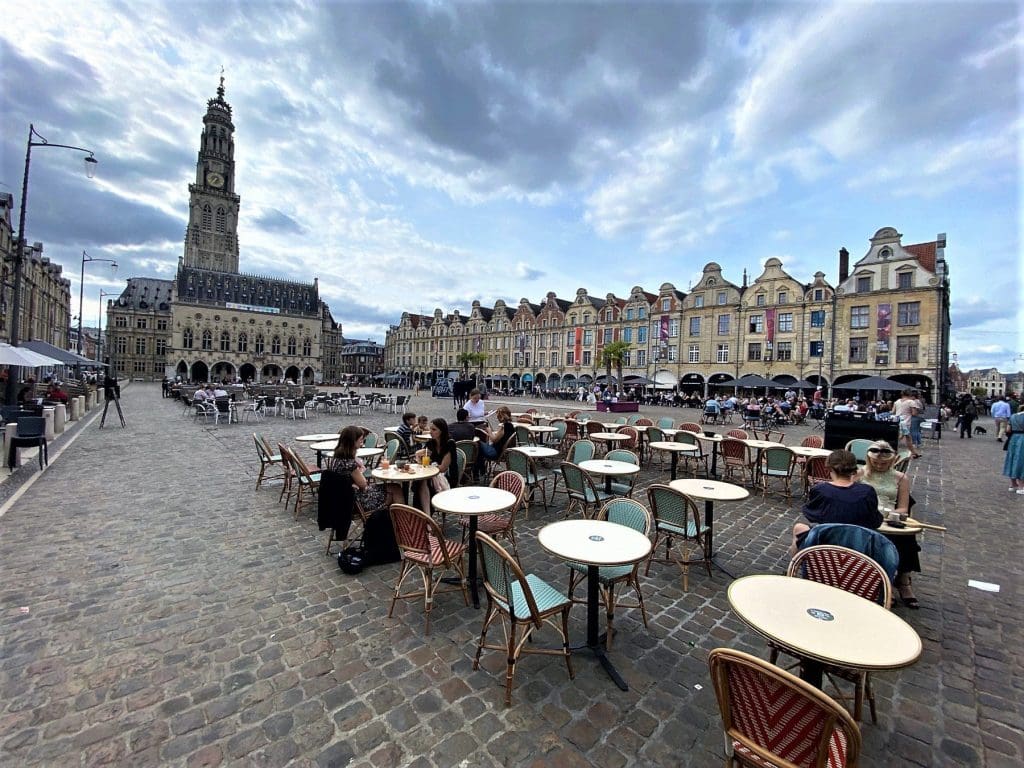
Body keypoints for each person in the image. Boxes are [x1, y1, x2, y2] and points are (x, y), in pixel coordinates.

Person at [858, 440, 921, 607]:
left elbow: (903, 508)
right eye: (876, 462)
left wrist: (892, 515)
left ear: (891, 461)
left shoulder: (900, 478)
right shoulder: (860, 474)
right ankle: (885, 581)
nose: (879, 465)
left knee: (906, 539)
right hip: (866, 516)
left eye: (884, 463)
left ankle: (903, 580)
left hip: (889, 517)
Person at [791, 449, 881, 554]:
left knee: (799, 528)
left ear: (829, 468)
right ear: (854, 469)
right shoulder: (867, 491)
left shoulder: (821, 490)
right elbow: (875, 521)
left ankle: (795, 567)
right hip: (858, 547)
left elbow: (812, 516)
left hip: (826, 545)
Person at [325, 426, 403, 515]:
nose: (362, 442)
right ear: (352, 441)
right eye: (360, 439)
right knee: (396, 488)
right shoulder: (349, 462)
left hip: (341, 498)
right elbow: (363, 484)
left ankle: (394, 520)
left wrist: (352, 483)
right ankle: (402, 522)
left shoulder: (337, 457)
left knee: (393, 487)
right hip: (355, 501)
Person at [414, 418, 459, 514]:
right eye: (430, 429)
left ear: (442, 431)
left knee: (421, 482)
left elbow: (443, 468)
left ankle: (425, 515)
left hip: (447, 477)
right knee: (420, 482)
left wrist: (428, 466)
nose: (430, 432)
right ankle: (424, 515)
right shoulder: (431, 443)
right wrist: (418, 456)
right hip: (433, 475)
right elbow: (424, 463)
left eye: (434, 430)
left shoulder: (449, 444)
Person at [476, 406, 515, 478]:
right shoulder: (510, 426)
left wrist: (489, 431)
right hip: (502, 450)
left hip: (495, 452)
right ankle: (481, 469)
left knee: (477, 443)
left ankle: (479, 469)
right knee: (481, 447)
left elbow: (494, 440)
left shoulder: (503, 426)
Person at [892, 389, 921, 457]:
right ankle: (893, 452)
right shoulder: (911, 402)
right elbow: (914, 413)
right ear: (910, 394)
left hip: (897, 420)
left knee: (907, 438)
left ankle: (914, 453)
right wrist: (917, 410)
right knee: (902, 438)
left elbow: (893, 412)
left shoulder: (897, 401)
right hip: (905, 421)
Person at [1003, 404, 1024, 494]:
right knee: (1021, 461)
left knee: (1012, 459)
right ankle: (1021, 486)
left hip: (1013, 439)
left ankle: (1012, 484)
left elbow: (1008, 430)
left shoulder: (1013, 416)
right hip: (1023, 439)